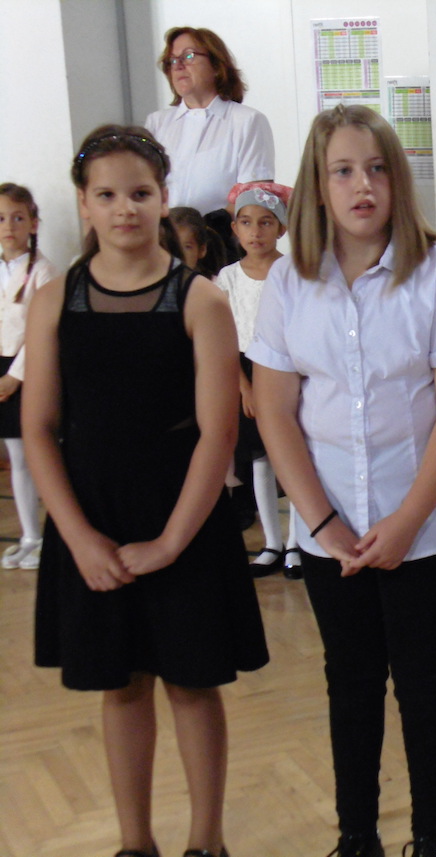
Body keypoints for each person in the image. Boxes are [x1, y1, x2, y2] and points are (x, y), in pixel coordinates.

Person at [249, 104, 436, 857]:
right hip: (331, 531)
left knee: (425, 683)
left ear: (398, 181)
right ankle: (357, 835)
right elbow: (276, 411)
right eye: (344, 171)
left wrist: (407, 520)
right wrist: (323, 524)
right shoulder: (289, 281)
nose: (363, 186)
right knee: (349, 682)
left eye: (378, 169)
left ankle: (433, 835)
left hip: (424, 526)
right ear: (318, 187)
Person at [24, 125, 268, 857]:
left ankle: (206, 840)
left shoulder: (199, 300)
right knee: (121, 683)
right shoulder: (53, 301)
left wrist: (170, 542)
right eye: (107, 194)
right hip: (91, 514)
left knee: (192, 683)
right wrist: (79, 538)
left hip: (182, 513)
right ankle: (135, 841)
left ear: (163, 197)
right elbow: (38, 428)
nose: (124, 207)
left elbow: (218, 433)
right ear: (84, 204)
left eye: (139, 192)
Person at [214, 181, 300, 578]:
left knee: (294, 457)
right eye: (246, 222)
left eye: (266, 222)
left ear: (281, 228)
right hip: (246, 371)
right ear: (234, 228)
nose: (255, 231)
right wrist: (244, 387)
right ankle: (272, 543)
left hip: (287, 370)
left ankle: (298, 542)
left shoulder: (294, 272)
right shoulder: (227, 278)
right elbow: (223, 339)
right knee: (261, 460)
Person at [146, 27, 274, 220]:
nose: (178, 66)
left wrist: (211, 227)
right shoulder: (157, 123)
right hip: (165, 233)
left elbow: (254, 195)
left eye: (188, 56)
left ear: (216, 66)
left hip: (221, 235)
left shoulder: (247, 121)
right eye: (172, 60)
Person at [0, 183, 59, 570]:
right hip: (0, 369)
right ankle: (28, 535)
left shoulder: (43, 271)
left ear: (33, 223)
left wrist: (15, 376)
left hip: (28, 370)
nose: (9, 226)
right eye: (1, 218)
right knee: (13, 453)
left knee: (31, 455)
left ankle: (47, 537)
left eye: (18, 218)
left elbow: (43, 330)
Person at [170, 206, 227, 279]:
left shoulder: (215, 284)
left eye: (187, 247)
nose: (178, 253)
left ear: (201, 250)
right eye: (171, 245)